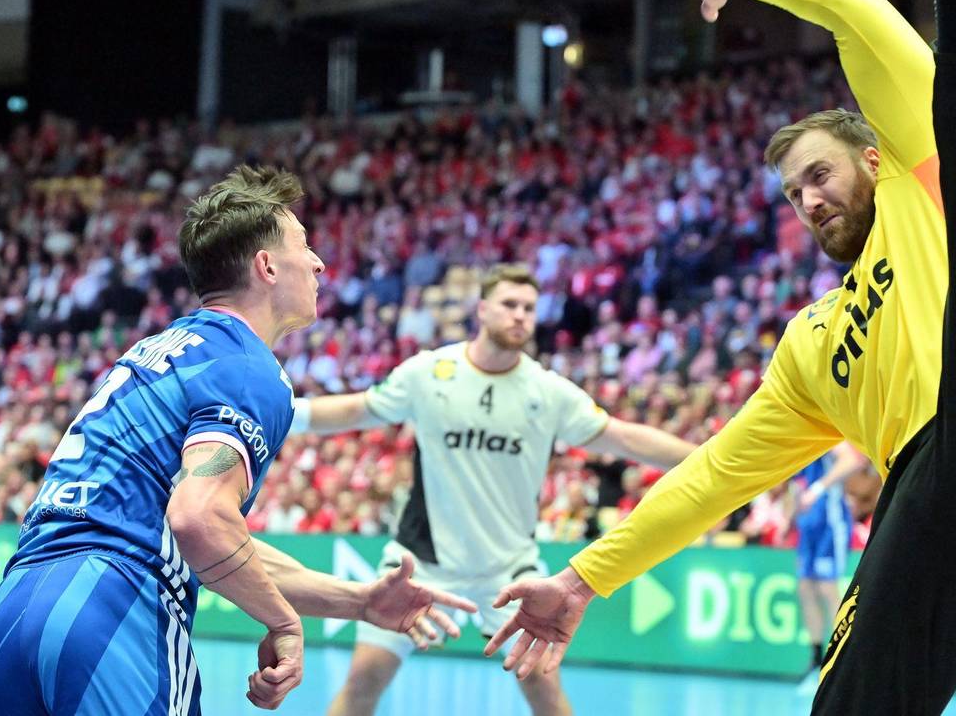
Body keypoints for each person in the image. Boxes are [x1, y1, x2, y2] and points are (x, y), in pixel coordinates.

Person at [482, 0, 956, 714]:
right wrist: (581, 579)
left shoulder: (909, 185)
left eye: (820, 174)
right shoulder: (807, 348)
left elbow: (851, 2)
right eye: (794, 193)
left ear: (871, 158)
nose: (810, 199)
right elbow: (713, 476)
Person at [0, 166, 476, 716]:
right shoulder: (246, 366)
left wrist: (358, 601)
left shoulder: (159, 350)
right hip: (112, 609)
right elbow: (200, 519)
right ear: (266, 266)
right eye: (304, 246)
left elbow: (208, 541)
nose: (318, 263)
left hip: (12, 613)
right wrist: (283, 623)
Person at [289, 263, 696, 716]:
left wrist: (715, 461)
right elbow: (356, 410)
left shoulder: (549, 391)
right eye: (509, 304)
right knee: (364, 680)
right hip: (421, 561)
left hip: (509, 569)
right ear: (482, 309)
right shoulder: (429, 372)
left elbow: (623, 437)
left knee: (545, 691)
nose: (520, 315)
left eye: (529, 308)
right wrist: (285, 413)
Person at [791, 442, 866, 694]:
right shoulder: (796, 438)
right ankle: (815, 662)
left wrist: (818, 488)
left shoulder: (827, 433)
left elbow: (852, 460)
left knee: (827, 588)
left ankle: (842, 663)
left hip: (830, 523)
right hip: (807, 524)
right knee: (805, 588)